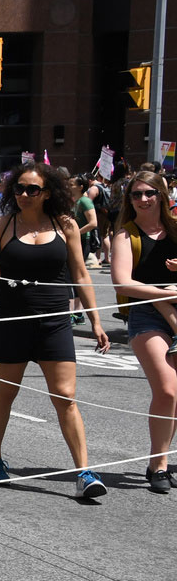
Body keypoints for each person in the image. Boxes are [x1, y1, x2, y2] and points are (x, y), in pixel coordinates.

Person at [0, 163, 111, 498]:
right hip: (11, 322)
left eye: (33, 189)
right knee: (6, 393)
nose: (24, 194)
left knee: (66, 397)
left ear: (48, 193)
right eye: (19, 188)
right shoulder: (1, 226)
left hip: (54, 322)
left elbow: (81, 275)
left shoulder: (66, 225)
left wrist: (96, 321)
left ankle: (84, 472)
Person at [110, 171, 177, 494]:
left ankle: (163, 460)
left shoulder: (176, 229)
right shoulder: (126, 235)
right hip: (146, 316)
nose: (143, 199)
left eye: (149, 193)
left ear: (162, 195)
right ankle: (159, 465)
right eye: (135, 194)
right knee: (166, 390)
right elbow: (123, 283)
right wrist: (165, 294)